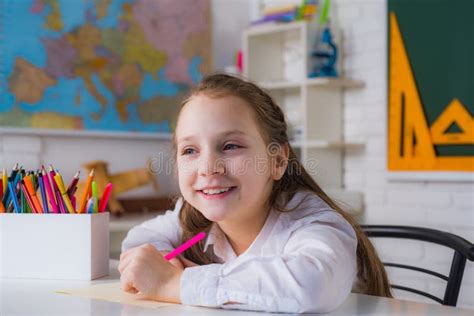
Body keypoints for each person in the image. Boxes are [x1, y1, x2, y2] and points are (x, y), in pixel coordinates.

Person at [119, 74, 391, 313]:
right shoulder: (191, 215)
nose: (208, 167)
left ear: (277, 161)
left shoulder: (313, 222)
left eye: (230, 146)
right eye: (190, 150)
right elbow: (140, 241)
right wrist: (168, 267)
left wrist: (173, 283)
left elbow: (311, 284)